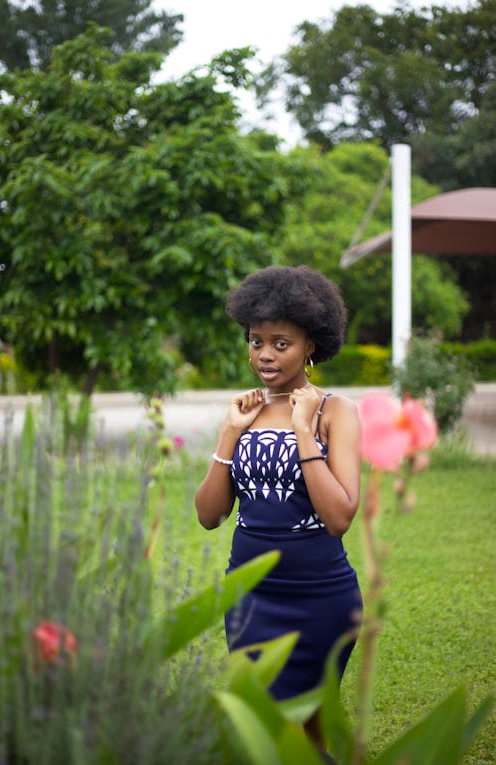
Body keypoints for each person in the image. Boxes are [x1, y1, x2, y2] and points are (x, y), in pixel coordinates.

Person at [195, 265, 362, 749]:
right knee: (263, 732)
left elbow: (339, 518)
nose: (265, 354)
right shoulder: (242, 412)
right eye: (255, 341)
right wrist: (229, 433)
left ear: (310, 344)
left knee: (307, 739)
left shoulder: (336, 412)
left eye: (281, 343)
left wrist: (304, 428)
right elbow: (209, 516)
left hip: (321, 598)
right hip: (250, 599)